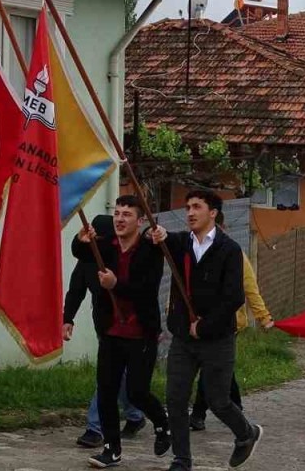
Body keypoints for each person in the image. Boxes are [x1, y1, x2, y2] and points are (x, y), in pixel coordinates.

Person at [151, 190, 262, 471]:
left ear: (212, 212)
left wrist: (205, 324)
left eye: (196, 207)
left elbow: (234, 297)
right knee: (175, 398)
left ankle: (246, 433)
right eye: (187, 207)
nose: (190, 212)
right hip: (183, 338)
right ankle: (181, 459)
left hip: (218, 339)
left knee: (218, 400)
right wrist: (153, 234)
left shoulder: (229, 250)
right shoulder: (179, 243)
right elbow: (154, 240)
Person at [72, 197, 172, 468]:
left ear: (140, 221)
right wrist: (80, 239)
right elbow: (80, 254)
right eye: (116, 213)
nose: (119, 219)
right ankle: (111, 449)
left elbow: (146, 289)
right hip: (111, 331)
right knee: (106, 392)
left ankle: (163, 422)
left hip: (141, 332)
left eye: (127, 214)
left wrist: (117, 284)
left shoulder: (150, 249)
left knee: (138, 392)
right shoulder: (106, 245)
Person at [64, 258, 145, 449]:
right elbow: (76, 288)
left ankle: (95, 427)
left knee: (109, 374)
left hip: (132, 323)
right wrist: (68, 318)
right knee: (118, 372)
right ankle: (135, 415)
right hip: (104, 323)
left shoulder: (126, 254)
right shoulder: (87, 258)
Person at [190, 252, 273, 432]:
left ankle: (199, 413)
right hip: (201, 323)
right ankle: (235, 407)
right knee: (219, 367)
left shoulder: (233, 253)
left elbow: (250, 287)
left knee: (210, 366)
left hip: (228, 323)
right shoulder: (193, 250)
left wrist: (263, 316)